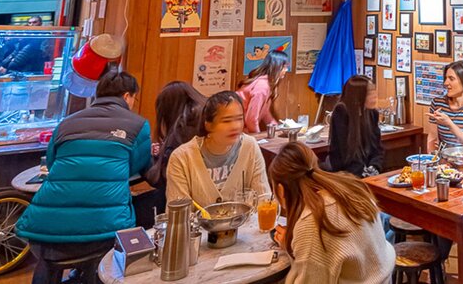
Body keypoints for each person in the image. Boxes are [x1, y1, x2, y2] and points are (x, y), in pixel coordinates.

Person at [16, 71, 151, 284]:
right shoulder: (138, 125)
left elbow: (51, 163)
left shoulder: (66, 123)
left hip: (43, 227)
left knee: (48, 261)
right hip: (105, 228)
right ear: (127, 96)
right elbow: (136, 166)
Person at [269, 142, 395, 284]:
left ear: (280, 190)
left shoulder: (312, 222)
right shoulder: (349, 187)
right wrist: (292, 245)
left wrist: (293, 247)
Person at [167, 90, 270, 206]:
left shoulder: (250, 146)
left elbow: (263, 199)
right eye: (226, 121)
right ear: (208, 125)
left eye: (239, 119)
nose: (235, 126)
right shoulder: (181, 157)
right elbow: (178, 211)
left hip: (246, 219)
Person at [136, 82, 207, 226]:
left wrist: (148, 161)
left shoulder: (179, 130)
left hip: (185, 202)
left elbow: (163, 178)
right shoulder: (205, 119)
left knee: (134, 207)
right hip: (207, 195)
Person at [325, 75, 384, 177]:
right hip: (345, 172)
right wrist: (363, 174)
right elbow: (345, 152)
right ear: (358, 96)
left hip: (368, 170)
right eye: (369, 93)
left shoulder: (373, 113)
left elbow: (377, 148)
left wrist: (375, 167)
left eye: (374, 91)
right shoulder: (341, 112)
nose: (375, 95)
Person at [237, 50, 289, 133]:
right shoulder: (262, 86)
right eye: (284, 67)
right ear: (277, 67)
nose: (286, 70)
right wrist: (258, 138)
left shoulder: (266, 82)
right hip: (238, 130)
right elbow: (251, 120)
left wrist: (278, 129)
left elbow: (265, 113)